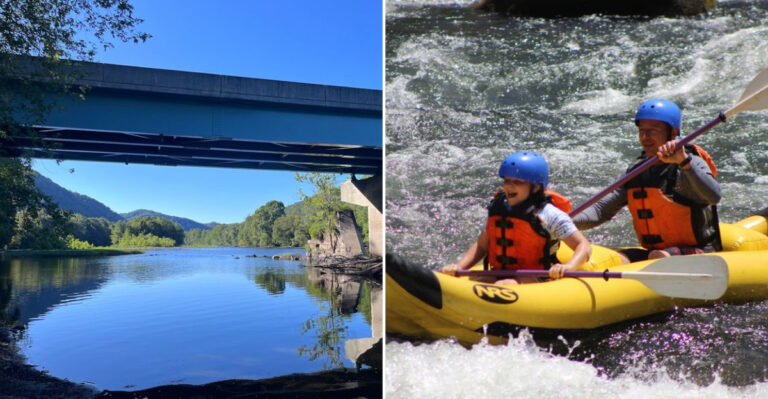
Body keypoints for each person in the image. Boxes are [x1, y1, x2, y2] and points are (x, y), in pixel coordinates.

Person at [572, 99, 721, 263]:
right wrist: (564, 221)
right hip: (654, 253)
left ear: (673, 132)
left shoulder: (689, 164)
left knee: (661, 257)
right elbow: (600, 211)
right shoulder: (637, 171)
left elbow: (713, 196)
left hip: (698, 251)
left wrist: (683, 162)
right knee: (616, 260)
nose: (645, 137)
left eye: (653, 130)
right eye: (642, 130)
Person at [441, 151, 592, 285]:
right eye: (506, 180)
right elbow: (482, 246)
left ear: (536, 187)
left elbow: (583, 246)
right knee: (483, 281)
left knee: (506, 284)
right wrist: (459, 267)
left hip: (538, 277)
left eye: (518, 182)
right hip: (499, 273)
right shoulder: (497, 208)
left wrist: (568, 266)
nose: (509, 186)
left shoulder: (548, 214)